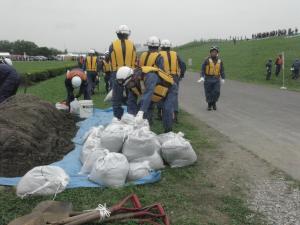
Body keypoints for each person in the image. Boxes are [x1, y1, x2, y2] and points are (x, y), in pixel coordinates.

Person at [116, 66, 177, 133]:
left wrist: (141, 112)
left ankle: (168, 131)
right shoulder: (130, 84)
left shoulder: (149, 75)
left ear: (133, 77)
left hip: (169, 90)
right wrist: (131, 117)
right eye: (126, 85)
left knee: (167, 108)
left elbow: (148, 93)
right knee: (144, 111)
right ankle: (146, 130)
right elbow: (131, 101)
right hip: (154, 93)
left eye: (129, 84)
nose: (129, 86)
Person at [107, 24, 137, 119]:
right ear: (128, 34)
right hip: (130, 73)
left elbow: (108, 59)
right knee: (131, 96)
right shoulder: (132, 45)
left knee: (116, 98)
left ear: (118, 34)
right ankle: (131, 117)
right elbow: (135, 58)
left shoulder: (112, 45)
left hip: (117, 73)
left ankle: (118, 118)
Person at [159, 39, 186, 122]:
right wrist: (181, 75)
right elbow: (183, 65)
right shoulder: (175, 54)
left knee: (161, 94)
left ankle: (160, 114)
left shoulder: (159, 54)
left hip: (163, 76)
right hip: (174, 77)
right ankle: (175, 116)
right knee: (174, 95)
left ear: (162, 47)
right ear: (170, 47)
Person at [198, 46, 225, 111]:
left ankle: (214, 102)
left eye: (215, 52)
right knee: (208, 92)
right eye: (212, 52)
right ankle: (209, 105)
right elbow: (202, 69)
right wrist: (202, 77)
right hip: (208, 78)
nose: (214, 53)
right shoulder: (206, 60)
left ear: (217, 53)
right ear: (210, 53)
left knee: (217, 92)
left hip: (216, 79)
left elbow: (222, 70)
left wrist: (223, 78)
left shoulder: (220, 61)